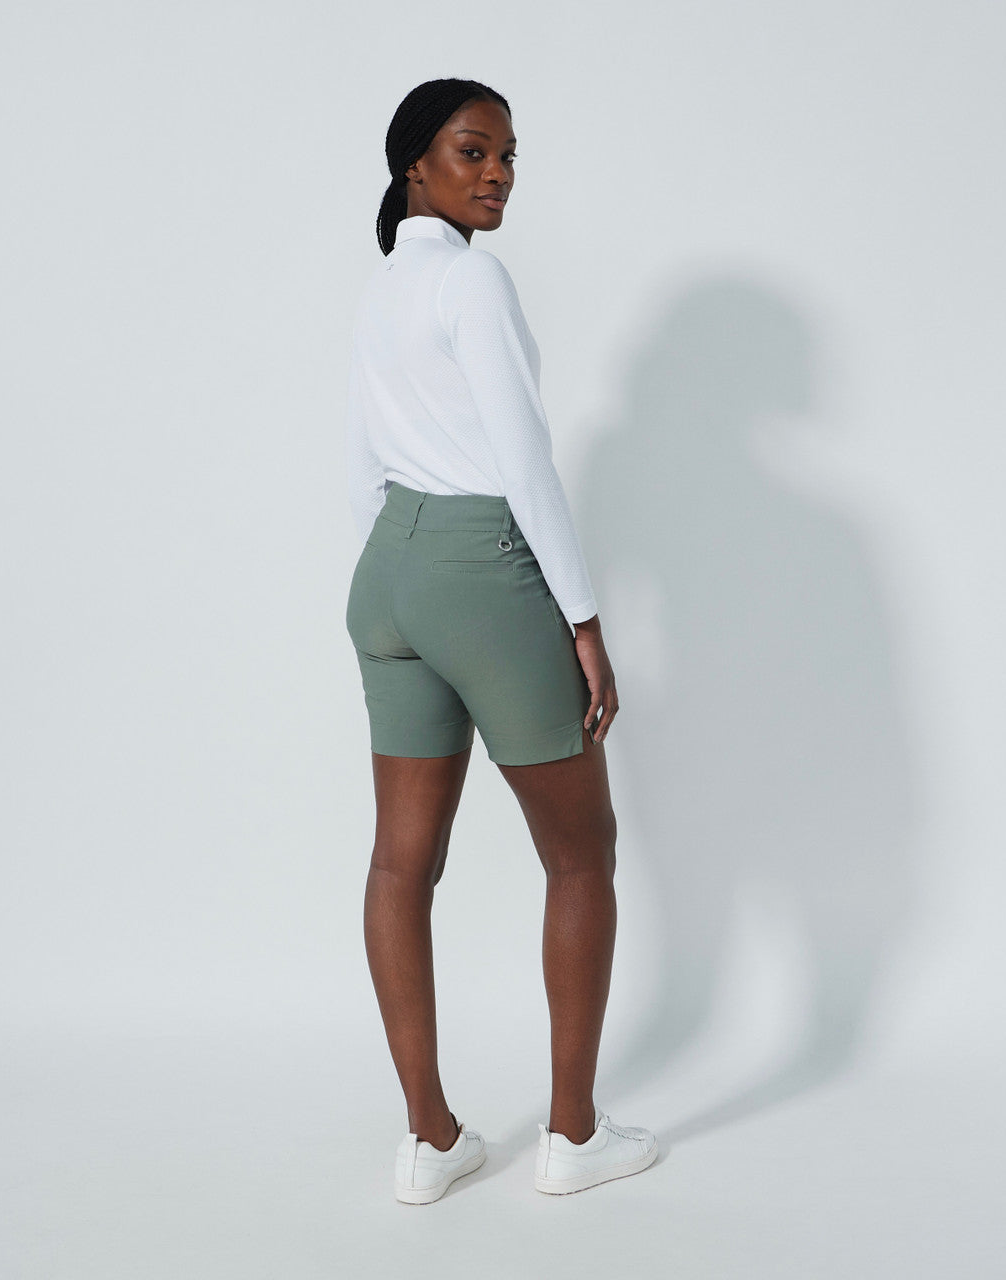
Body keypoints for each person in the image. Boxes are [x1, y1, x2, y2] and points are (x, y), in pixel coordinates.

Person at [344, 78, 657, 1204]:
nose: (498, 175)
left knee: (400, 861)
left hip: (388, 572)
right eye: (473, 151)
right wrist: (582, 616)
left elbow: (363, 452)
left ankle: (429, 1141)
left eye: (509, 156)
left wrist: (397, 578)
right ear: (414, 165)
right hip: (483, 566)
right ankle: (571, 1135)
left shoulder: (385, 283)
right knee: (580, 853)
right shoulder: (468, 280)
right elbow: (522, 456)